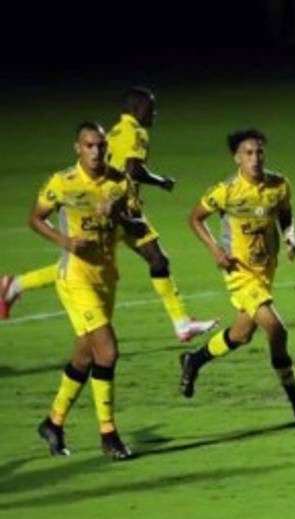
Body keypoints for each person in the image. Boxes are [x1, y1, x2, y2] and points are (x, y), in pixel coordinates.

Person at [2, 87, 219, 341]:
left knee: (105, 259)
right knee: (149, 259)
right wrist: (161, 181)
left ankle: (14, 285)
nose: (155, 113)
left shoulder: (115, 130)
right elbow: (133, 169)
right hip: (115, 207)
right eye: (151, 108)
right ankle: (181, 322)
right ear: (138, 109)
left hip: (112, 204)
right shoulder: (136, 132)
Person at [179, 129, 295, 426]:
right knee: (276, 330)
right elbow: (195, 218)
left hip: (265, 270)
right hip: (239, 273)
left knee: (241, 334)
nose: (255, 158)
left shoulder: (279, 184)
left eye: (259, 152)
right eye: (248, 153)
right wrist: (216, 250)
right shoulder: (226, 191)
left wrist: (291, 236)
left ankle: (194, 360)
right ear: (237, 157)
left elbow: (285, 212)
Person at [30, 122, 144, 460]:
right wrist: (65, 241)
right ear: (77, 148)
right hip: (75, 278)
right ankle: (108, 435)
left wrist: (120, 212)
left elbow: (138, 224)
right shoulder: (62, 182)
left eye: (100, 146)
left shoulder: (120, 182)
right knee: (107, 351)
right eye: (89, 145)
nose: (95, 152)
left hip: (106, 278)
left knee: (85, 354)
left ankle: (53, 421)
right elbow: (36, 218)